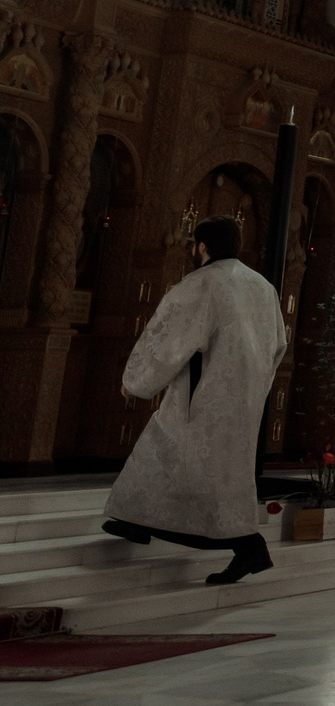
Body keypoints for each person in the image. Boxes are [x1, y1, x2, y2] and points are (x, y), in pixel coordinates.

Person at [101, 217, 288, 585]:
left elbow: (169, 340)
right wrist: (254, 390)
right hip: (243, 402)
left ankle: (250, 548)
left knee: (175, 453)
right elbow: (278, 346)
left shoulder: (202, 284)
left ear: (202, 247)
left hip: (202, 398)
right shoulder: (262, 287)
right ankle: (133, 522)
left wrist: (136, 382)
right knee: (203, 467)